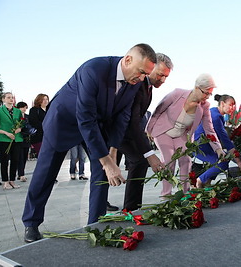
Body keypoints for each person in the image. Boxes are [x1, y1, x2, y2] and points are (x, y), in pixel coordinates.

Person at [22, 43, 157, 243]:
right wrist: (106, 161)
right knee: (46, 173)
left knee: (102, 172)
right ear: (128, 60)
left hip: (97, 125)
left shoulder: (134, 82)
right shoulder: (94, 70)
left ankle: (95, 223)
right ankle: (31, 223)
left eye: (146, 74)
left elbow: (123, 117)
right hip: (65, 122)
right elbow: (85, 118)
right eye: (141, 72)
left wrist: (112, 152)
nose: (142, 78)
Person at [146, 73, 225, 197]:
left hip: (182, 134)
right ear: (197, 87)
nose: (208, 97)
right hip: (163, 131)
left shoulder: (204, 106)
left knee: (186, 160)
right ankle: (166, 195)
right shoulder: (177, 94)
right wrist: (148, 130)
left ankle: (186, 193)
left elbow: (209, 129)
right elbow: (158, 110)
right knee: (169, 160)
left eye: (210, 93)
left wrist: (218, 148)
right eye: (206, 93)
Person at [118, 53, 173, 211]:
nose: (163, 80)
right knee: (107, 171)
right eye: (161, 75)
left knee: (139, 161)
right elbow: (133, 122)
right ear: (151, 67)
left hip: (128, 131)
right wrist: (149, 153)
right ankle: (127, 208)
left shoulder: (148, 87)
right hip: (117, 131)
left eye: (166, 77)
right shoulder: (137, 85)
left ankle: (131, 208)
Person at [194, 94, 241, 188]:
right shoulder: (216, 117)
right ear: (222, 104)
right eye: (230, 105)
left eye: (234, 105)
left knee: (219, 160)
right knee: (223, 163)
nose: (233, 108)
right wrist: (239, 162)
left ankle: (207, 182)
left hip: (204, 144)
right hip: (200, 146)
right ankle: (200, 180)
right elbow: (226, 142)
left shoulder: (213, 112)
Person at [0, 92, 23, 190]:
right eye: (8, 98)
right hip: (4, 139)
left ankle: (12, 180)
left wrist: (19, 128)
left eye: (12, 98)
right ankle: (5, 181)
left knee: (15, 160)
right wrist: (6, 133)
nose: (11, 99)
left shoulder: (17, 111)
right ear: (3, 99)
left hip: (16, 139)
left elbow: (21, 123)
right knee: (4, 161)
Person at [16, 102, 36, 182]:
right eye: (22, 107)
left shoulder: (27, 117)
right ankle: (21, 174)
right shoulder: (16, 116)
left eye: (25, 107)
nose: (24, 109)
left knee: (24, 157)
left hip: (27, 139)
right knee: (20, 157)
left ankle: (21, 172)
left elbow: (31, 125)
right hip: (18, 138)